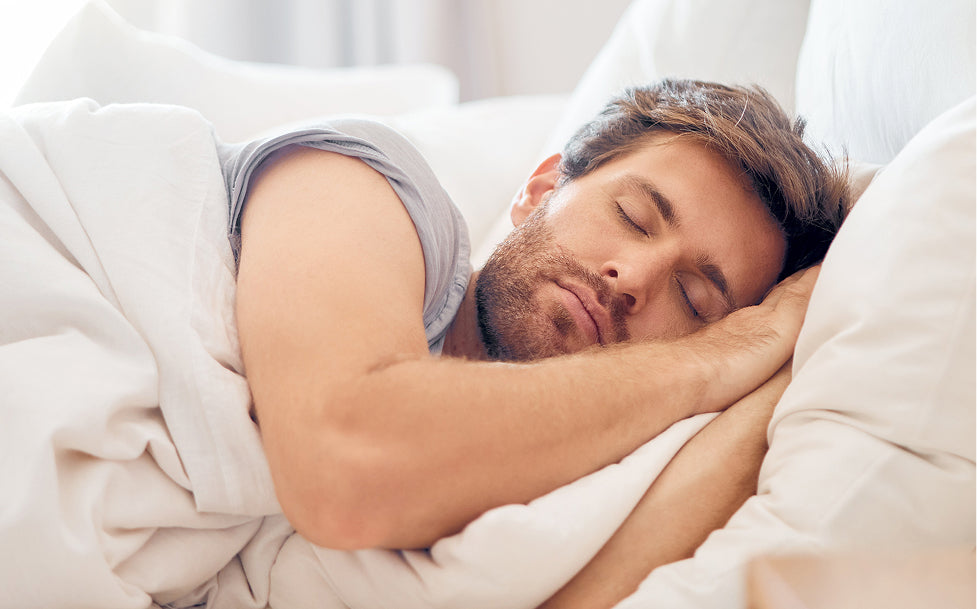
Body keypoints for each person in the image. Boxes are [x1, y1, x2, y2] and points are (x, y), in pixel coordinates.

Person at [231, 74, 850, 605]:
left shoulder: (601, 455)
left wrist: (778, 360)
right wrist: (721, 351)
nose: (632, 278)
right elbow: (345, 471)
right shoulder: (363, 179)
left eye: (694, 299)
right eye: (632, 217)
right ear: (540, 189)